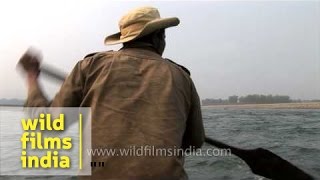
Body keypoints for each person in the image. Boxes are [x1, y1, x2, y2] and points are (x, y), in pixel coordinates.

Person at [20, 6, 205, 180]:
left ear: (125, 38)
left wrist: (31, 76)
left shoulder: (91, 66)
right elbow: (194, 141)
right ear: (159, 36)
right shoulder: (181, 77)